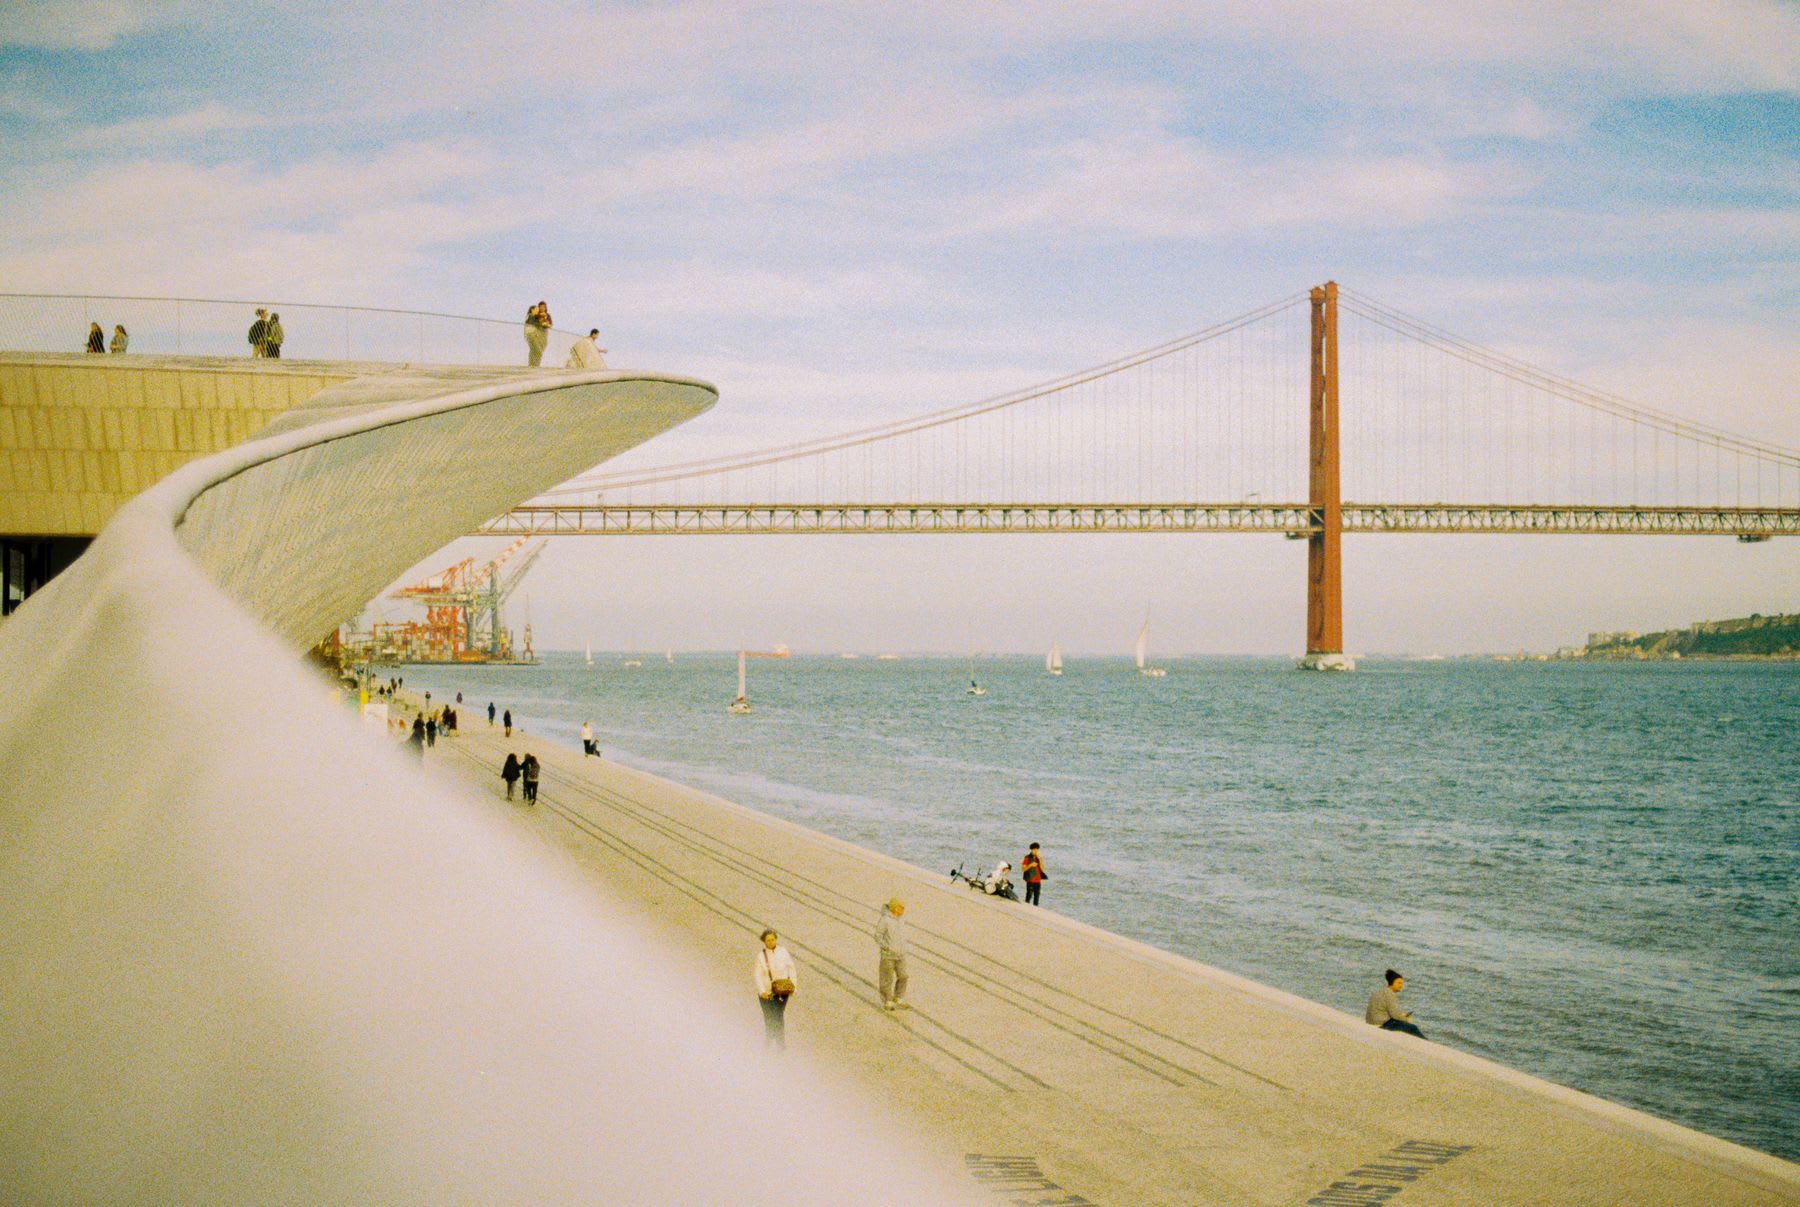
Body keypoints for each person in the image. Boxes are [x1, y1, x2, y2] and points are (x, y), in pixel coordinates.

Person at [754, 928, 798, 1051]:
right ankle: (770, 1040)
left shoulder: (783, 952)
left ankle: (780, 1043)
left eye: (773, 939)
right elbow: (757, 975)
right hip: (766, 993)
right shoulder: (761, 957)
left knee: (778, 1015)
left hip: (781, 992)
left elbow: (791, 968)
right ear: (764, 941)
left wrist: (793, 986)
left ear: (776, 939)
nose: (771, 942)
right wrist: (762, 991)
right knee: (768, 1017)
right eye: (768, 940)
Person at [1366, 969, 1425, 1038]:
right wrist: (1407, 1020)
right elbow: (1395, 1015)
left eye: (1402, 983)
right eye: (1399, 983)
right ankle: (1427, 1044)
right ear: (1392, 982)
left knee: (1402, 1021)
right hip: (1381, 1024)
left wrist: (1401, 1015)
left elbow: (1388, 1011)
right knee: (1413, 1028)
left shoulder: (1381, 991)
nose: (1401, 986)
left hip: (1371, 1021)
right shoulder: (1390, 994)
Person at [875, 898, 909, 1011]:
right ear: (894, 908)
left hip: (901, 954)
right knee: (887, 978)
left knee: (903, 976)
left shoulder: (901, 920)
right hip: (888, 955)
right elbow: (878, 936)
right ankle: (887, 1000)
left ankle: (899, 997)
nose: (903, 910)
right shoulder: (885, 920)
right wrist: (887, 947)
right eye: (901, 907)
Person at [524, 301, 552, 367]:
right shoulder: (534, 315)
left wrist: (546, 324)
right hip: (534, 335)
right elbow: (533, 322)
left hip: (543, 335)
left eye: (544, 307)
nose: (542, 308)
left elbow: (549, 324)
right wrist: (542, 323)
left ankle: (535, 364)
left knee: (538, 351)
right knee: (535, 350)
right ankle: (533, 365)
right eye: (540, 307)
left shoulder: (547, 315)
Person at [1021, 842, 1046, 906]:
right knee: (1028, 896)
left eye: (1037, 850)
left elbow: (1043, 869)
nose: (1036, 851)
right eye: (1034, 850)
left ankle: (1035, 911)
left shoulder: (1039, 858)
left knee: (1036, 897)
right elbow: (1023, 869)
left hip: (1038, 880)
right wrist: (1030, 865)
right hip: (1030, 880)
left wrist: (1040, 860)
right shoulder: (1027, 857)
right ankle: (1025, 909)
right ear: (1031, 850)